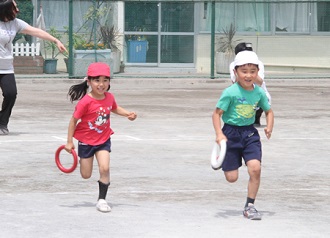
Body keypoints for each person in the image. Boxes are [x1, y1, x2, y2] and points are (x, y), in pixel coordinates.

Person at [65, 62, 137, 213]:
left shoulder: (109, 97)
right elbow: (73, 121)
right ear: (89, 81)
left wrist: (128, 114)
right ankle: (84, 160)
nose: (101, 84)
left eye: (105, 80)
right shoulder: (85, 101)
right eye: (97, 80)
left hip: (103, 139)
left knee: (105, 168)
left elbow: (114, 108)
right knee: (86, 175)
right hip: (86, 141)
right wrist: (70, 142)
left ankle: (102, 200)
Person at [212, 51, 274, 220]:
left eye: (252, 71)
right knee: (232, 178)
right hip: (230, 133)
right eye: (244, 71)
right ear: (235, 72)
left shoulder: (259, 93)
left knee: (255, 168)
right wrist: (219, 134)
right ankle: (224, 155)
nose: (248, 75)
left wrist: (269, 127)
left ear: (257, 73)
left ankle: (250, 206)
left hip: (249, 134)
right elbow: (216, 114)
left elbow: (269, 111)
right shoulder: (230, 92)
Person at [0, 0, 67, 135]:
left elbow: (35, 31)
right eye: (15, 6)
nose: (17, 8)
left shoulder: (16, 23)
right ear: (7, 9)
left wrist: (55, 40)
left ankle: (2, 123)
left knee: (11, 94)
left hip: (6, 67)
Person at [229, 42, 271, 127]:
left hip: (256, 91)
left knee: (264, 97)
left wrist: (252, 72)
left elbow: (260, 82)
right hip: (242, 92)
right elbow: (235, 82)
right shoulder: (233, 65)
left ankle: (256, 117)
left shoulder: (258, 64)